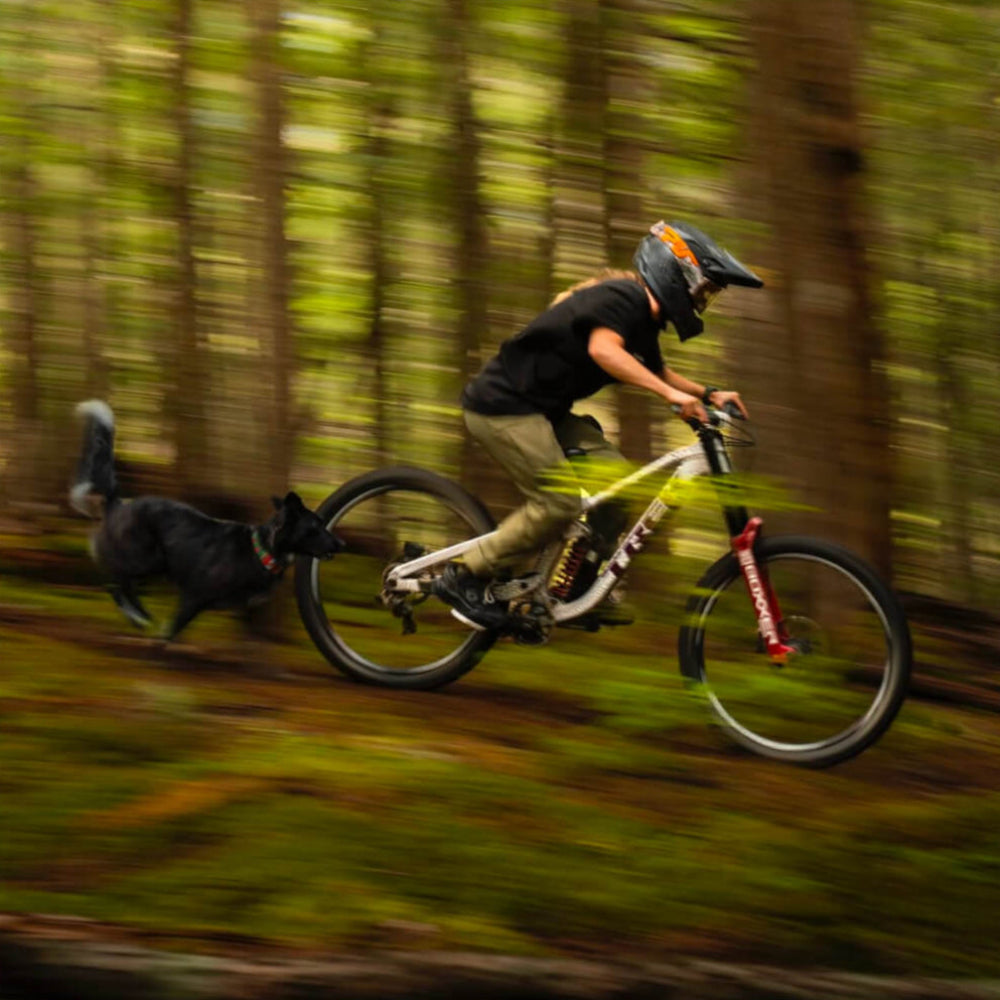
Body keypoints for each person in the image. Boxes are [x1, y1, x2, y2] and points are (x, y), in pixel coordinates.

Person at [434, 220, 764, 630]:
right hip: (503, 409)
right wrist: (672, 398)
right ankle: (463, 575)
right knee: (559, 502)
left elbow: (656, 370)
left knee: (618, 485)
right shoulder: (622, 298)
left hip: (544, 413)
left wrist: (708, 393)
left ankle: (576, 588)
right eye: (704, 288)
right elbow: (604, 351)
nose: (704, 299)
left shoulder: (642, 318)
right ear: (677, 274)